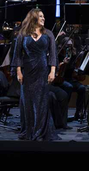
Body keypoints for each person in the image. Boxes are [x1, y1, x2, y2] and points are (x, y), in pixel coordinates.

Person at [11, 8, 59, 141]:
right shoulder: (23, 34)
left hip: (42, 72)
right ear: (33, 18)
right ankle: (29, 130)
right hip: (27, 73)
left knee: (41, 103)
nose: (43, 18)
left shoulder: (48, 34)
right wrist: (19, 72)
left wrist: (53, 71)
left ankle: (39, 132)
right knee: (27, 102)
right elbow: (17, 55)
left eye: (43, 16)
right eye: (40, 16)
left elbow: (53, 54)